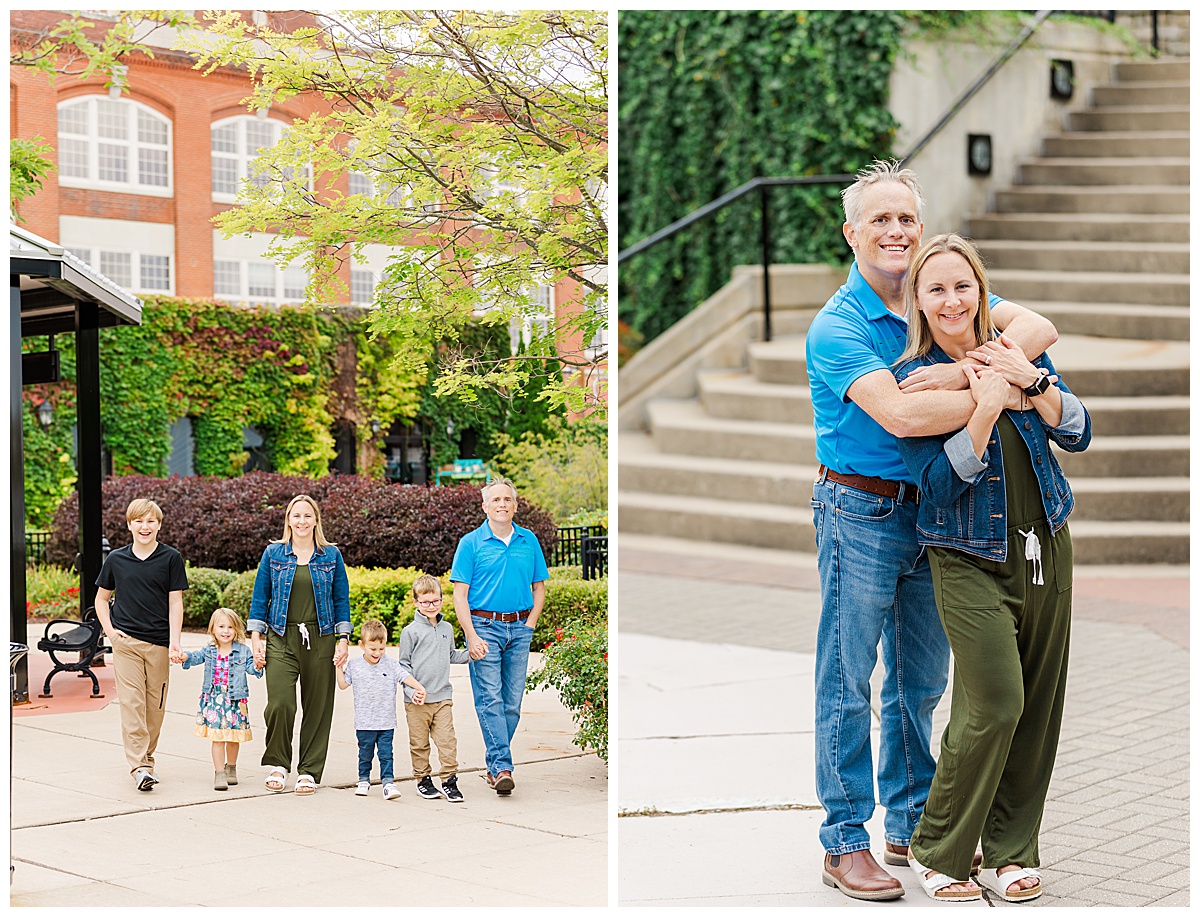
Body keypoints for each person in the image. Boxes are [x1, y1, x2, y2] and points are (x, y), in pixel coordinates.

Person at [805, 159, 1059, 901]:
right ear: (851, 232)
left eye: (906, 218)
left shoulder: (935, 299)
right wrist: (1011, 385)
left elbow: (1038, 328)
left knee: (919, 684)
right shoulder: (839, 325)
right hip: (862, 509)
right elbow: (902, 416)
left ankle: (908, 823)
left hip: (941, 512)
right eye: (879, 219)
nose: (896, 230)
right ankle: (844, 839)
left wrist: (961, 376)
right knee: (848, 679)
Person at [892, 233, 1090, 902]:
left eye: (963, 285)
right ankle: (937, 841)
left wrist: (1027, 382)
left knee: (1035, 706)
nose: (952, 299)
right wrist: (982, 406)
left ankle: (1010, 850)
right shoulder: (910, 378)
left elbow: (1079, 429)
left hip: (1047, 544)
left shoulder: (1018, 351)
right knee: (997, 699)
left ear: (982, 290)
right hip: (967, 557)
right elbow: (938, 488)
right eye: (936, 288)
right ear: (917, 301)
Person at [450, 477, 549, 796]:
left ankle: (495, 762)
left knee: (512, 704)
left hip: (520, 629)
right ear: (485, 506)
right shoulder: (470, 543)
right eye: (496, 500)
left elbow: (539, 587)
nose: (502, 504)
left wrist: (530, 624)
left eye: (508, 499)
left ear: (515, 505)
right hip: (484, 629)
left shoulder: (528, 540)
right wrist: (471, 634)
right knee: (489, 698)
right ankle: (502, 767)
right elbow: (460, 595)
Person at [248, 494, 352, 796]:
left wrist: (342, 639)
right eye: (296, 516)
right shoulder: (274, 554)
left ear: (316, 520)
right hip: (282, 637)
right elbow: (260, 598)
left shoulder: (331, 555)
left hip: (321, 638)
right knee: (281, 704)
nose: (302, 521)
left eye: (308, 516)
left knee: (318, 707)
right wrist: (257, 638)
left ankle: (309, 770)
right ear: (288, 520)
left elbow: (341, 600)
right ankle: (279, 764)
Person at [94, 498, 188, 791]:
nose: (144, 527)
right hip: (127, 643)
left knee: (154, 707)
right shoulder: (116, 560)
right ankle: (140, 766)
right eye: (138, 521)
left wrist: (175, 642)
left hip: (159, 644)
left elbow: (176, 603)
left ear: (159, 525)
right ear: (129, 524)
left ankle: (147, 757)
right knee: (132, 704)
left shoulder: (171, 558)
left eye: (150, 521)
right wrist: (110, 632)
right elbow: (100, 599)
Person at [398, 574, 473, 803]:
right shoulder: (410, 632)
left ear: (442, 599)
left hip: (442, 698)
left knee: (447, 742)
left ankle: (449, 781)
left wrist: (473, 654)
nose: (431, 606)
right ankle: (423, 780)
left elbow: (451, 655)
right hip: (417, 702)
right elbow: (402, 667)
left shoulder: (447, 628)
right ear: (416, 602)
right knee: (419, 744)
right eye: (425, 602)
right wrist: (412, 692)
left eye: (435, 601)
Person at [335, 618, 425, 800]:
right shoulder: (355, 665)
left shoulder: (391, 664)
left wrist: (419, 687)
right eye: (373, 649)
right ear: (361, 645)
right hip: (364, 722)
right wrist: (338, 667)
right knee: (365, 753)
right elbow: (343, 684)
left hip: (386, 722)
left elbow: (405, 676)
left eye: (381, 649)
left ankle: (388, 784)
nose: (377, 653)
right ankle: (363, 780)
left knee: (386, 754)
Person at [177, 607, 264, 791]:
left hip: (235, 700)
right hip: (214, 700)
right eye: (221, 626)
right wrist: (184, 656)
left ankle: (231, 768)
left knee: (234, 738)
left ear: (237, 630)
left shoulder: (243, 651)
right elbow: (194, 657)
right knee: (217, 739)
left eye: (231, 627)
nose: (226, 631)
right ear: (213, 629)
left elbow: (251, 669)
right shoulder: (209, 650)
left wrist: (257, 664)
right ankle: (219, 772)